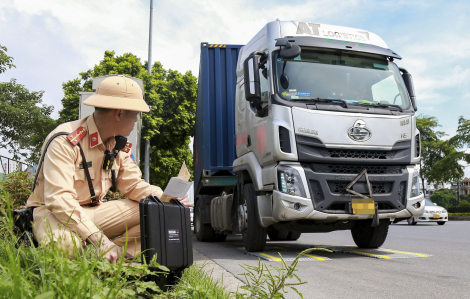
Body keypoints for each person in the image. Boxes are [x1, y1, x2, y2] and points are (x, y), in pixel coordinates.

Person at [26, 75, 193, 264]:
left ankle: (114, 258)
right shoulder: (65, 141)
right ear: (119, 113)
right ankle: (86, 265)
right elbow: (59, 199)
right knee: (65, 245)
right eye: (135, 115)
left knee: (156, 210)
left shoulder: (117, 146)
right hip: (52, 213)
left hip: (91, 211)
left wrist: (167, 197)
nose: (136, 122)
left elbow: (133, 185)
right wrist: (100, 239)